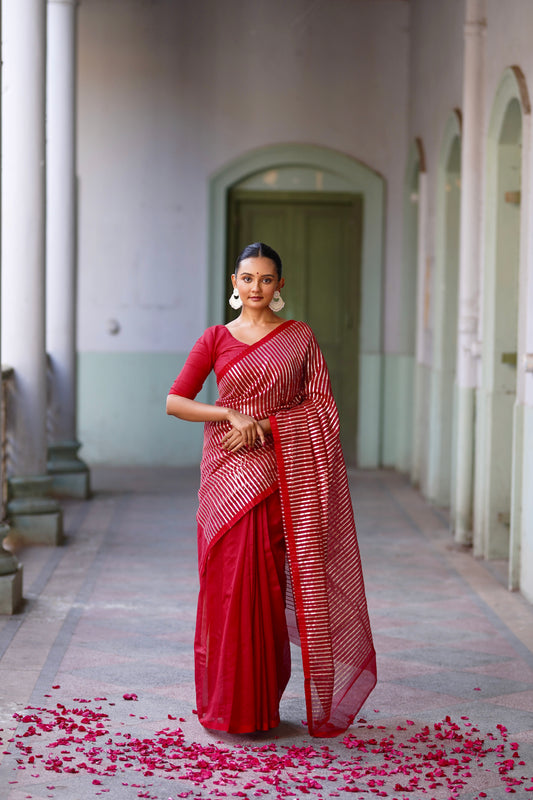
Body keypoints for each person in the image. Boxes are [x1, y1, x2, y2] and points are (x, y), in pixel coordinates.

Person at [166, 242, 376, 737]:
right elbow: (176, 401)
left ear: (280, 286)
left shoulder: (299, 338)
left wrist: (264, 422)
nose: (255, 288)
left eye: (265, 279)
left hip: (277, 479)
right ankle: (223, 708)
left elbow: (323, 408)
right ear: (233, 284)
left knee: (263, 592)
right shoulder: (215, 338)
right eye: (247, 278)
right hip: (224, 480)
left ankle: (260, 708)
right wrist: (229, 413)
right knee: (225, 594)